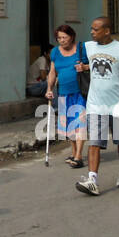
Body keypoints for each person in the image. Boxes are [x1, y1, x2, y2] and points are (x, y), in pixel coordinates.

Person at [75, 17, 119, 197]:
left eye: (96, 29)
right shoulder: (88, 46)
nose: (92, 32)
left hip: (118, 104)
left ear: (107, 31)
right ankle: (92, 180)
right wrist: (85, 67)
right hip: (95, 104)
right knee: (94, 142)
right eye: (92, 29)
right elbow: (90, 63)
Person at [44, 25, 88, 168]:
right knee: (69, 125)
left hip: (80, 92)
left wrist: (84, 67)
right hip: (63, 92)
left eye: (64, 37)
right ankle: (74, 152)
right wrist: (49, 88)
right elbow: (52, 72)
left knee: (80, 123)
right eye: (59, 38)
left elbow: (92, 66)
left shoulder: (82, 49)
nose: (62, 40)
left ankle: (79, 156)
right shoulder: (55, 52)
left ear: (72, 37)